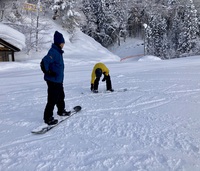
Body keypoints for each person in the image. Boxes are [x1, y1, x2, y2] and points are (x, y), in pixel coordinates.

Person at [41, 31, 70, 125]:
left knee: (61, 96)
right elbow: (44, 62)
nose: (63, 45)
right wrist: (48, 72)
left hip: (58, 80)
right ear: (59, 43)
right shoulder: (53, 52)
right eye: (62, 43)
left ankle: (61, 111)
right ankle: (47, 118)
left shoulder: (58, 52)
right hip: (52, 80)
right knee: (52, 99)